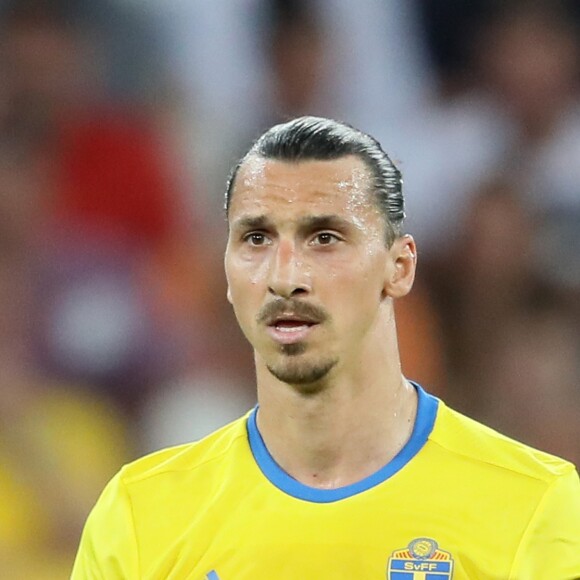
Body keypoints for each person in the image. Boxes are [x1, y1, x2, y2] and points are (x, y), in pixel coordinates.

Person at [71, 116, 580, 579]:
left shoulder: (534, 506)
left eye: (325, 237)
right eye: (256, 239)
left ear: (399, 268)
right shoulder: (140, 514)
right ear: (225, 272)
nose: (285, 277)